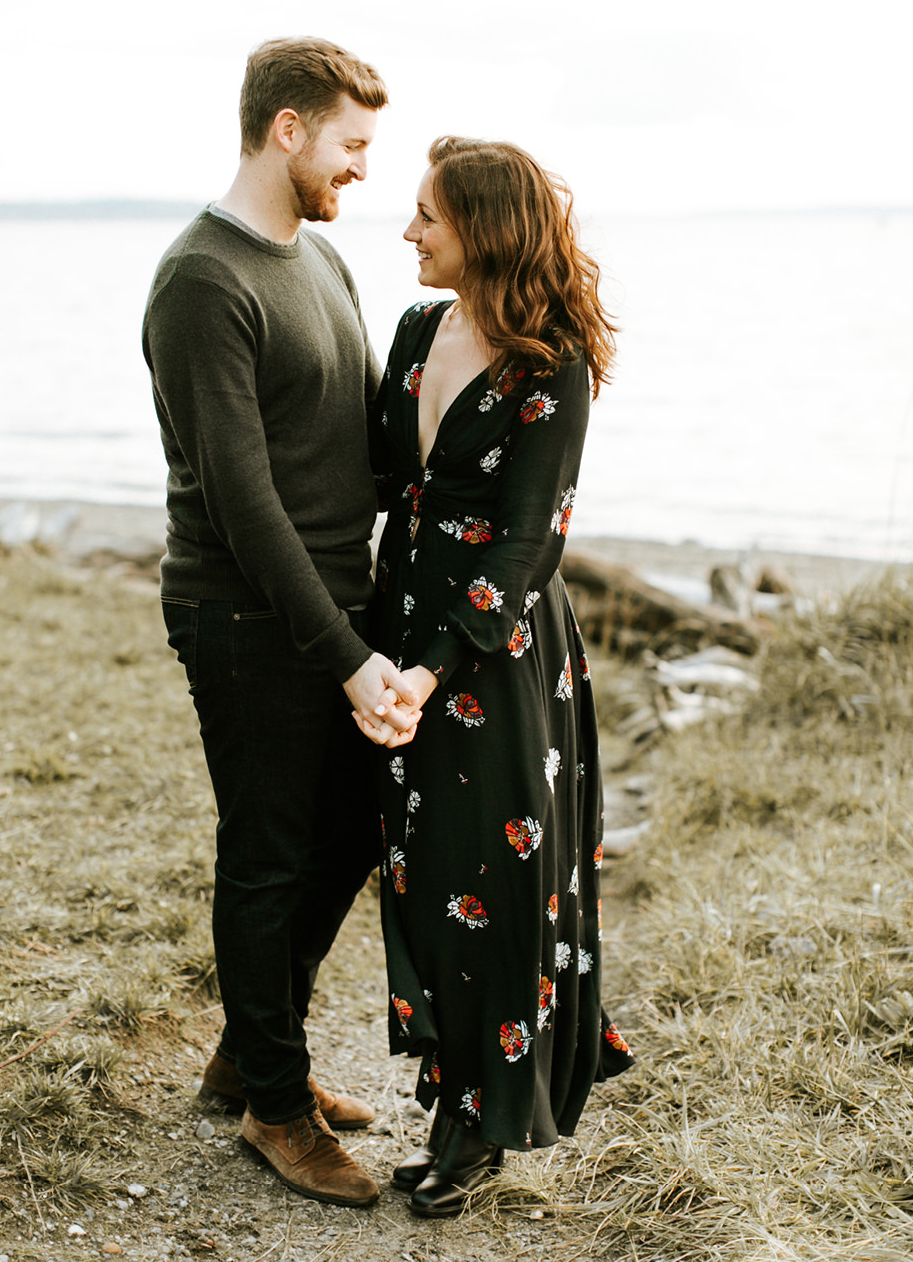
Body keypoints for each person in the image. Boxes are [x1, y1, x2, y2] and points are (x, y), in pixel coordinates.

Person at [143, 36, 416, 1209]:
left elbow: (359, 441)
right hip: (243, 611)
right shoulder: (202, 279)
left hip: (328, 599)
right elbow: (243, 501)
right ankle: (270, 1100)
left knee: (350, 829)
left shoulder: (318, 264)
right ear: (287, 129)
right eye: (350, 145)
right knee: (263, 855)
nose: (360, 169)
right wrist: (349, 659)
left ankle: (257, 1048)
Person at [363, 136, 633, 1217]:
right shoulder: (416, 329)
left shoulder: (550, 359)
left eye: (425, 214)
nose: (408, 232)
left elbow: (527, 545)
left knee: (498, 880)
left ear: (480, 228)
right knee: (426, 872)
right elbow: (379, 479)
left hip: (497, 654)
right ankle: (450, 1091)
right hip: (398, 636)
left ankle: (476, 1121)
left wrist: (428, 666)